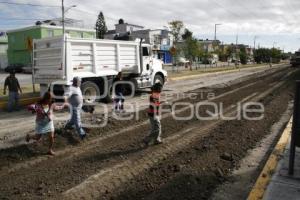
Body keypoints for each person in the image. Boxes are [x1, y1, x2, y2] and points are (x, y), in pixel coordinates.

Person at [143, 80, 163, 146]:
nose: (161, 89)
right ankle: (147, 139)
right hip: (153, 114)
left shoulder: (156, 94)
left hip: (154, 113)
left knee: (154, 127)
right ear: (157, 88)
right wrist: (161, 103)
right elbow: (154, 104)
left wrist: (160, 103)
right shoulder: (154, 95)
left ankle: (156, 139)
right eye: (160, 88)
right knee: (157, 127)